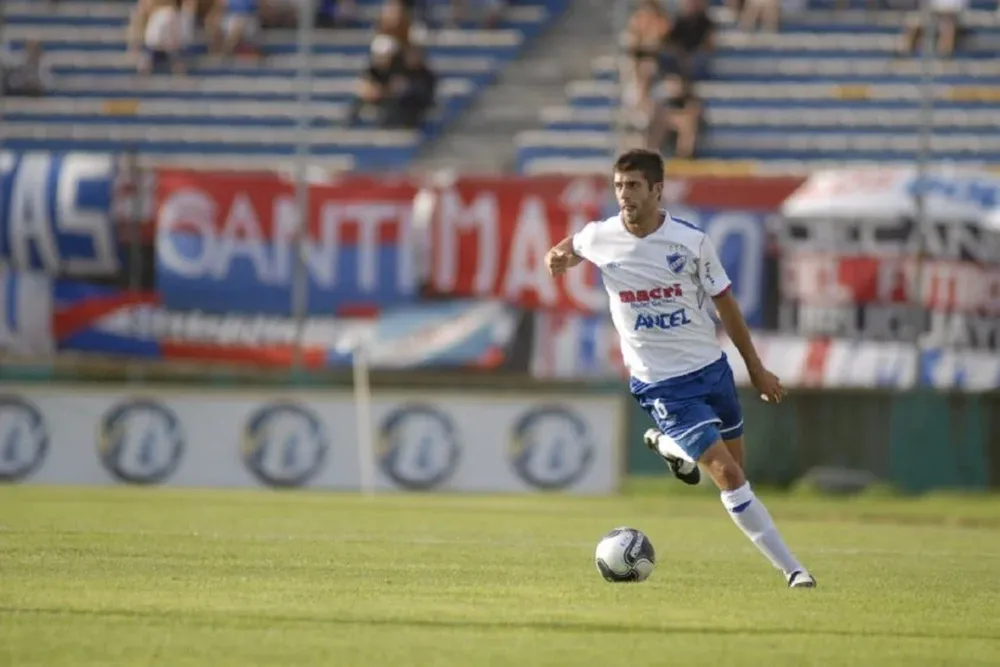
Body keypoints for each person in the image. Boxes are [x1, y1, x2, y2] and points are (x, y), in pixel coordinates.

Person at [543, 149, 816, 589]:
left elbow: (726, 305)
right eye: (618, 185)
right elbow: (569, 248)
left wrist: (757, 369)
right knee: (729, 476)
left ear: (656, 189)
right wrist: (555, 258)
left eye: (633, 186)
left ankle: (672, 447)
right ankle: (794, 571)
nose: (623, 194)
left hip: (712, 371)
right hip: (661, 383)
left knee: (737, 471)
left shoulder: (691, 242)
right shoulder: (601, 236)